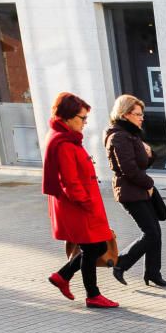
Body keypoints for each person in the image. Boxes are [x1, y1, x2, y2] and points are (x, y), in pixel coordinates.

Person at [43, 93, 119, 308]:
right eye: (82, 118)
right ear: (67, 117)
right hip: (79, 207)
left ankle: (63, 277)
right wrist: (86, 203)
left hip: (79, 205)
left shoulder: (65, 138)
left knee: (93, 248)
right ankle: (90, 294)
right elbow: (70, 181)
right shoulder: (64, 143)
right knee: (95, 248)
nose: (85, 123)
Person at [107, 94, 166, 288]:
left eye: (141, 114)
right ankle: (120, 264)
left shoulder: (131, 134)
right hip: (130, 192)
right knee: (150, 232)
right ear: (124, 114)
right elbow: (129, 170)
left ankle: (153, 273)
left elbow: (142, 163)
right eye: (137, 114)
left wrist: (150, 153)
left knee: (155, 232)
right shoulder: (118, 137)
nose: (141, 117)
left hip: (140, 189)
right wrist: (149, 184)